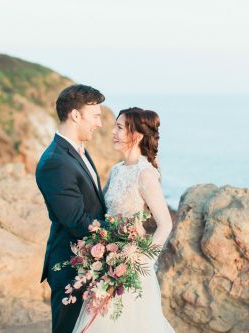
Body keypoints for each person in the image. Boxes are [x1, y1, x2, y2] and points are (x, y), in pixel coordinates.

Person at [72, 107, 175, 332]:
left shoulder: (145, 174)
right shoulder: (116, 170)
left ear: (136, 135)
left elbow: (165, 223)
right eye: (115, 126)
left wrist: (144, 260)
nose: (114, 132)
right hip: (108, 260)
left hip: (132, 265)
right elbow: (104, 214)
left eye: (120, 127)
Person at [35, 84, 108, 333]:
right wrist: (119, 237)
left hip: (91, 260)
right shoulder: (55, 161)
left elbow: (94, 205)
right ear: (76, 115)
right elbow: (76, 220)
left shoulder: (79, 152)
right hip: (71, 266)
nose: (99, 123)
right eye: (96, 115)